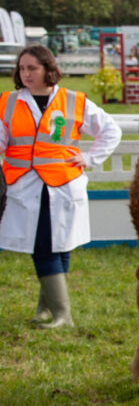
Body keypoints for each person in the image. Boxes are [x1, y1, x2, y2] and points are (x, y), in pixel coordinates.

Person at [1, 45, 122, 329]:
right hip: (25, 185)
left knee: (54, 245)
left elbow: (111, 130)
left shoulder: (73, 101)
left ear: (48, 69)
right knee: (48, 244)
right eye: (22, 68)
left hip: (64, 185)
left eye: (32, 68)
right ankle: (47, 309)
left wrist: (90, 158)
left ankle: (62, 315)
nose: (26, 74)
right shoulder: (9, 102)